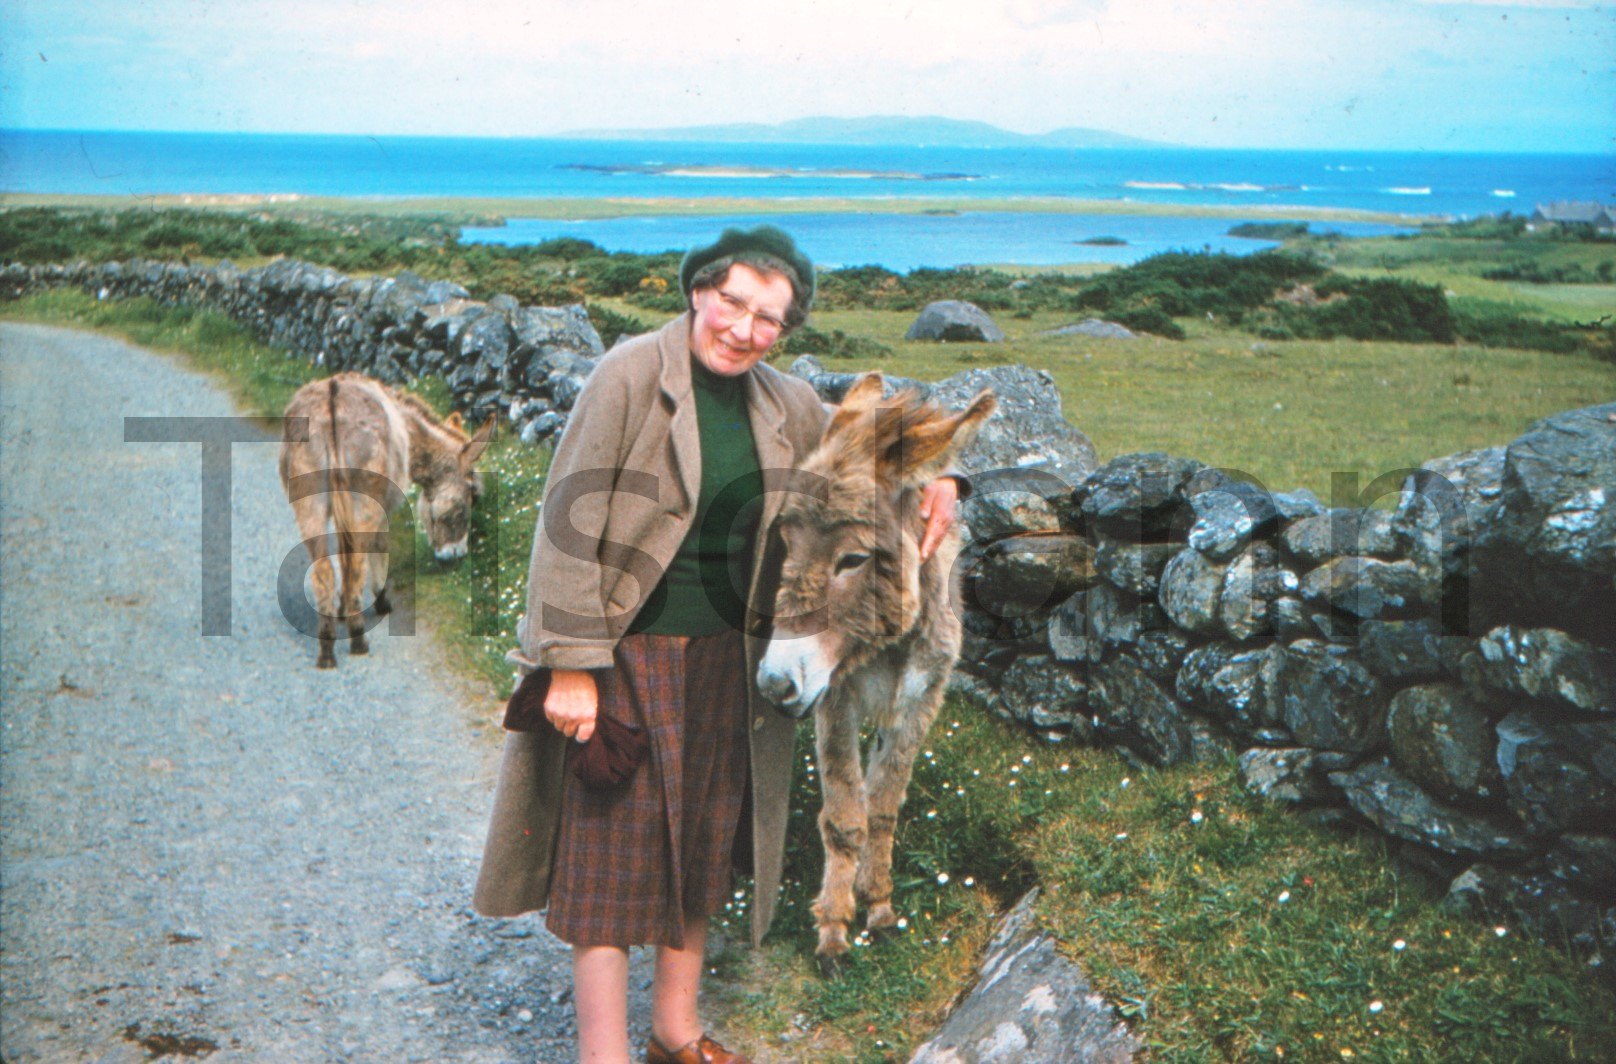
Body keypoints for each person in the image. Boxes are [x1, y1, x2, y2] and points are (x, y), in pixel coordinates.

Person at [473, 226, 960, 1064]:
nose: (743, 328)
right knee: (610, 853)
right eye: (731, 302)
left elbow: (872, 448)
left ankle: (675, 1028)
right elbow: (565, 524)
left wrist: (948, 480)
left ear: (786, 329)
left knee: (703, 841)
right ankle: (604, 1054)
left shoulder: (789, 405)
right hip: (623, 652)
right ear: (698, 291)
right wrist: (570, 665)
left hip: (730, 658)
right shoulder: (630, 375)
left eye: (768, 317)